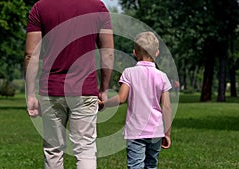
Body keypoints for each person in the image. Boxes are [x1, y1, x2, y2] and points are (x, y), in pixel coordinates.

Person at [24, 0, 114, 169]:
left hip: (51, 90)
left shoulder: (41, 7)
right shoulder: (98, 7)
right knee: (85, 149)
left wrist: (30, 94)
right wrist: (104, 89)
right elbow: (107, 54)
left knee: (53, 150)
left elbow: (31, 55)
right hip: (85, 90)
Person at [99, 32, 172, 169]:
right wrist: (166, 133)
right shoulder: (162, 76)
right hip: (156, 131)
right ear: (156, 53)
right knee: (151, 166)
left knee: (135, 166)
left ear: (134, 53)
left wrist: (104, 104)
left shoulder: (129, 73)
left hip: (135, 131)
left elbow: (121, 99)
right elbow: (166, 107)